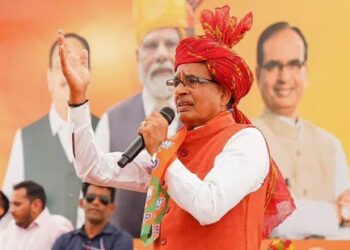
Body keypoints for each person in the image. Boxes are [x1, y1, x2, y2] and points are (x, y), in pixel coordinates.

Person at [58, 5, 295, 249]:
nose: (180, 90)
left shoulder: (246, 141)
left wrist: (161, 149)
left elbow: (208, 205)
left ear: (224, 93)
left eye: (192, 81)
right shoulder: (173, 147)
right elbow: (92, 168)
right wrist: (78, 97)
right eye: (177, 81)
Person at [95, 0, 202, 237]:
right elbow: (91, 196)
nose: (162, 55)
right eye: (152, 45)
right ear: (137, 57)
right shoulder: (111, 120)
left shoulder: (206, 117)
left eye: (171, 44)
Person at [253, 22, 350, 238]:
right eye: (273, 65)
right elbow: (266, 217)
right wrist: (334, 215)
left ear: (305, 71)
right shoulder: (245, 138)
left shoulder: (330, 145)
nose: (284, 77)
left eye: (294, 64)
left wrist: (340, 215)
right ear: (258, 74)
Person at [2, 33, 99, 226]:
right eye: (60, 65)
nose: (67, 72)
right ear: (49, 78)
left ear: (88, 74)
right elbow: (7, 219)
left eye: (75, 64)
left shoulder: (105, 129)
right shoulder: (25, 138)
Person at [52, 182, 133, 250]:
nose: (96, 203)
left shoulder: (121, 240)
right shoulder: (64, 241)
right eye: (90, 198)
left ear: (112, 208)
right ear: (81, 203)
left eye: (103, 200)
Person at [1, 181, 73, 250]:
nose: (11, 210)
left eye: (17, 204)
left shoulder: (58, 227)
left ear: (36, 205)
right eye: (11, 204)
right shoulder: (12, 226)